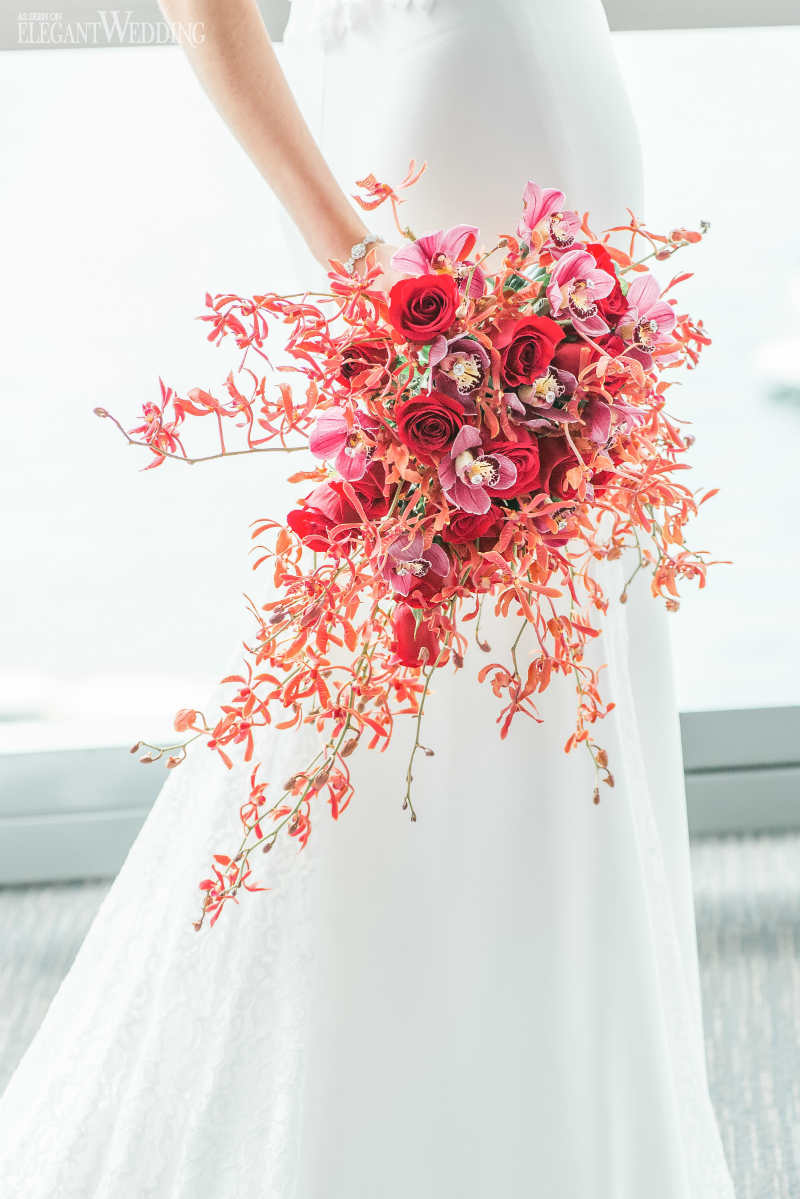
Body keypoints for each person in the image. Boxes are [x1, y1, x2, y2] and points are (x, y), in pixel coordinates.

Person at [0, 1, 735, 1195]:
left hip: (563, 92)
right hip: (423, 134)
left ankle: (556, 1127)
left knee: (570, 655)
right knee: (409, 656)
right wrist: (350, 254)